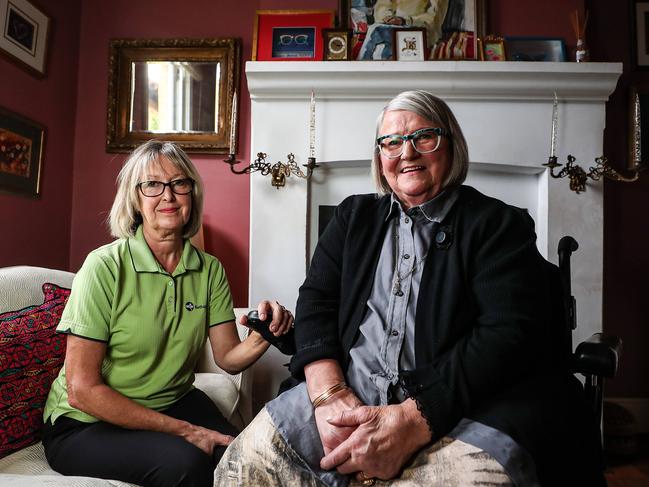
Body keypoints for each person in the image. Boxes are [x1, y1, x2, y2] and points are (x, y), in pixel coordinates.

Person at [214, 90, 605, 486]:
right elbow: (317, 301)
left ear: (450, 144)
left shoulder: (496, 224)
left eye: (424, 137)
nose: (407, 152)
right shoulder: (353, 216)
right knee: (242, 465)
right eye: (392, 142)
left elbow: (506, 335)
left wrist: (415, 419)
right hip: (346, 391)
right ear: (380, 155)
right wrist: (328, 395)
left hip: (460, 404)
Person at [42, 140, 293, 487]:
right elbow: (82, 390)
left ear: (192, 193)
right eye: (153, 185)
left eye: (180, 183)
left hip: (173, 401)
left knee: (246, 456)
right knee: (188, 463)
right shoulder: (103, 267)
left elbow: (229, 359)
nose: (169, 195)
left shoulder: (209, 270)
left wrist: (266, 333)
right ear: (135, 198)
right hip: (86, 422)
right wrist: (185, 431)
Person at [357, 0, 449, 59]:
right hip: (392, 28)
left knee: (377, 33)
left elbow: (434, 18)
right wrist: (388, 17)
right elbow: (382, 6)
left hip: (420, 31)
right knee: (378, 40)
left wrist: (405, 21)